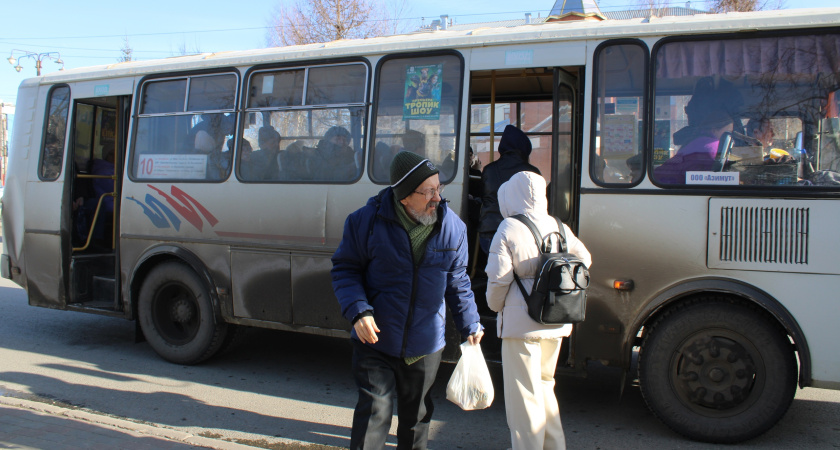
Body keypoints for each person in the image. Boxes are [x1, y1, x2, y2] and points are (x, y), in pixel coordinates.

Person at [331, 151, 484, 450]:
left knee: (416, 422)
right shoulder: (366, 222)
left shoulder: (453, 228)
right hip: (376, 341)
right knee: (374, 416)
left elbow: (458, 282)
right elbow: (345, 270)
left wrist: (471, 323)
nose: (437, 198)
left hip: (425, 345)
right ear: (403, 196)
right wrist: (358, 310)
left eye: (438, 188)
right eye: (427, 191)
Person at [485, 171, 592, 450]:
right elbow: (584, 260)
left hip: (522, 325)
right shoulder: (558, 225)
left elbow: (498, 279)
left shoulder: (509, 227)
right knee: (545, 385)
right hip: (556, 319)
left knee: (524, 397)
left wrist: (495, 307)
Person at [478, 125, 540, 254]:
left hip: (490, 232)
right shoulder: (533, 172)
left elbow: (482, 196)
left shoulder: (489, 169)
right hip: (524, 233)